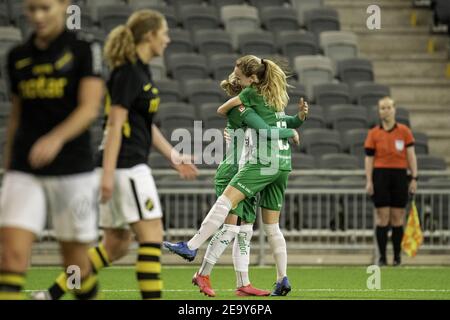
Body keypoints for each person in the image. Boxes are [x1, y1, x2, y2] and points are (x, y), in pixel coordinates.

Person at [32, 9, 198, 300]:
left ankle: (49, 296)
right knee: (152, 236)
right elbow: (115, 124)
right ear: (149, 35)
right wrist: (108, 174)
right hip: (127, 167)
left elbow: (142, 123)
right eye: (164, 33)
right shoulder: (129, 72)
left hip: (122, 167)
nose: (168, 40)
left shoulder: (139, 71)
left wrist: (173, 155)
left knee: (115, 246)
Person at [164, 55, 303, 296]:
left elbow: (245, 119)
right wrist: (293, 126)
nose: (237, 82)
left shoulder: (252, 103)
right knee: (237, 229)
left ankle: (239, 281)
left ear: (249, 82)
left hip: (253, 167)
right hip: (243, 169)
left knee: (244, 230)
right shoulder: (252, 106)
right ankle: (203, 269)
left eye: (238, 77)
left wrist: (290, 124)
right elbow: (266, 128)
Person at [0, 0, 104, 300]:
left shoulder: (85, 50)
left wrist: (56, 138)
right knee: (11, 258)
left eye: (45, 8)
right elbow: (17, 116)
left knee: (75, 264)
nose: (38, 16)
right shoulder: (17, 57)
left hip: (72, 168)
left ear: (63, 6)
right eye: (32, 9)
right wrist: (9, 166)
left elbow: (89, 108)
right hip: (25, 168)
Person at [365, 96, 418, 266]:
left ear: (394, 109)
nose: (385, 111)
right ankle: (382, 257)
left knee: (398, 217)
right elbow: (369, 159)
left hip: (400, 176)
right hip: (380, 175)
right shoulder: (373, 133)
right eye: (382, 108)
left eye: (388, 107)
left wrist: (414, 177)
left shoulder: (404, 131)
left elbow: (411, 156)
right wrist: (369, 180)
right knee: (382, 217)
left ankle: (397, 257)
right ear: (379, 111)